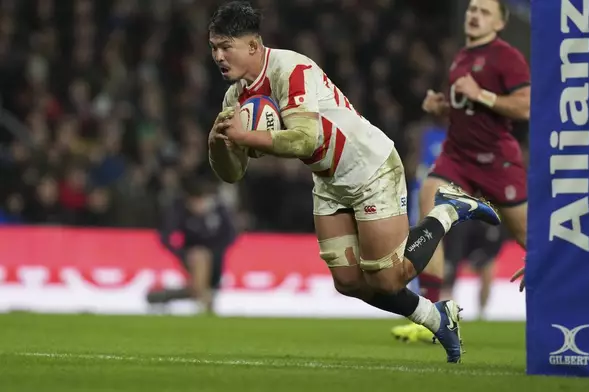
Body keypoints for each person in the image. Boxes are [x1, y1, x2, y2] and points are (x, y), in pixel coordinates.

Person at [207, 1, 502, 363]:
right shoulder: (235, 97)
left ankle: (448, 211)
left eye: (226, 47)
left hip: (368, 166)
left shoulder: (290, 69)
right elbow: (233, 173)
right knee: (347, 282)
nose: (218, 56)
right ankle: (437, 317)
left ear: (252, 45)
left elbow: (304, 139)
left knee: (390, 280)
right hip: (329, 178)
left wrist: (245, 138)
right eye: (214, 48)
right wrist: (217, 144)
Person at [390, 0, 531, 340]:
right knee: (428, 200)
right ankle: (431, 315)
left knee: (531, 239)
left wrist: (480, 93)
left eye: (483, 12)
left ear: (498, 24)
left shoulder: (506, 57)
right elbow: (466, 111)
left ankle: (574, 291)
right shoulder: (462, 58)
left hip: (495, 158)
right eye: (471, 9)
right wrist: (443, 106)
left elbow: (525, 106)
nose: (474, 15)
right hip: (457, 155)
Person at [147, 179, 236, 313]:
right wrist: (181, 253)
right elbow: (166, 235)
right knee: (199, 256)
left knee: (199, 281)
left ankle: (164, 296)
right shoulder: (180, 210)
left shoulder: (219, 211)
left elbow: (230, 234)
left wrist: (217, 252)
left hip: (216, 257)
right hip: (193, 255)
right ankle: (205, 302)